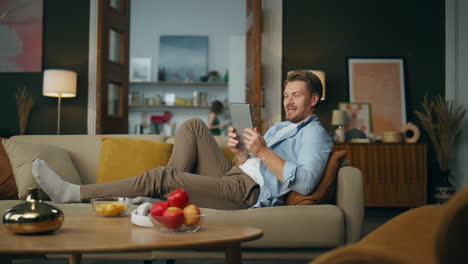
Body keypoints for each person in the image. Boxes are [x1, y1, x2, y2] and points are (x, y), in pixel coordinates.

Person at [32, 70, 332, 210]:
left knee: (163, 175)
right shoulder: (281, 126)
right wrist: (242, 153)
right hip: (236, 175)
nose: (288, 101)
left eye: (296, 95)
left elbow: (304, 184)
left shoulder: (316, 136)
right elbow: (254, 162)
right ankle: (163, 196)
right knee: (192, 125)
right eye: (286, 95)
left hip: (247, 194)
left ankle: (74, 193)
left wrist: (263, 151)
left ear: (314, 99)